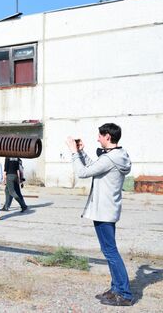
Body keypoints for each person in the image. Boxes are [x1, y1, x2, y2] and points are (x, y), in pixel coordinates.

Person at [66, 123, 133, 306]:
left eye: (99, 136)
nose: (97, 138)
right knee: (108, 251)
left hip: (104, 211)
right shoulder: (116, 156)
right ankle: (116, 289)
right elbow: (94, 167)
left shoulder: (111, 158)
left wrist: (73, 152)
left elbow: (82, 172)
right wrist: (81, 152)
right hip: (106, 210)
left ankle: (125, 294)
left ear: (108, 137)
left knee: (111, 252)